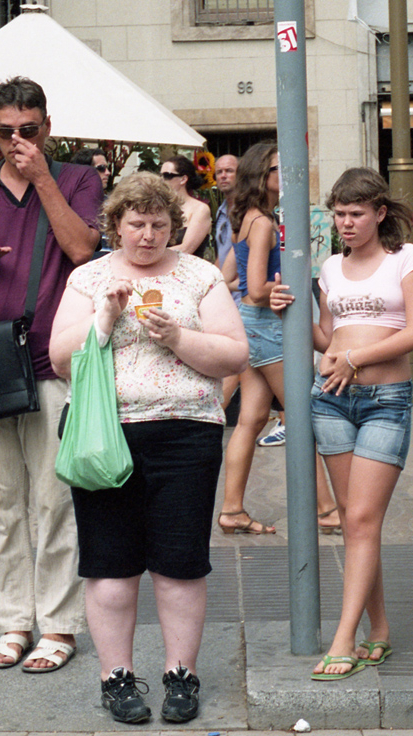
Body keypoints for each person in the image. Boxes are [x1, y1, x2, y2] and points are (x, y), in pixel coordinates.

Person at [49, 173, 248, 724]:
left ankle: (179, 674)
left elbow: (235, 355)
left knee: (180, 563)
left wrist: (177, 338)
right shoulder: (88, 278)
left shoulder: (200, 275)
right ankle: (117, 678)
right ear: (115, 225)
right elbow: (60, 359)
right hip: (103, 435)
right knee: (109, 563)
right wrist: (104, 320)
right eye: (136, 224)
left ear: (173, 227)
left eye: (159, 225)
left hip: (187, 433)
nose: (147, 235)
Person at [0, 76, 102, 672]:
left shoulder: (78, 179)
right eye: (4, 132)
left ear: (47, 128)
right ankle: (12, 621)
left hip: (52, 362)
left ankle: (58, 625)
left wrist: (41, 179)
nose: (15, 141)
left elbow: (83, 249)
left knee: (57, 500)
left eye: (27, 131)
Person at [273, 167, 413, 679]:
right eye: (339, 214)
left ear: (380, 213)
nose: (345, 223)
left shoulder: (405, 259)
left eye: (355, 214)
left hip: (385, 398)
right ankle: (378, 630)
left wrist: (357, 359)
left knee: (361, 520)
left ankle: (344, 638)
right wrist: (286, 312)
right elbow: (326, 336)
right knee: (355, 519)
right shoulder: (330, 268)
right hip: (332, 398)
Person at [220, 144, 339, 536]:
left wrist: (254, 292)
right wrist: (267, 292)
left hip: (251, 327)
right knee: (302, 418)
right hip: (269, 328)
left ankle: (233, 510)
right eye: (279, 168)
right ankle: (325, 509)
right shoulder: (264, 223)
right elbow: (253, 287)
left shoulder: (247, 218)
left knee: (251, 419)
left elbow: (227, 274)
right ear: (262, 174)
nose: (286, 175)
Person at [213, 154, 242, 413]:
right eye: (219, 171)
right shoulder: (221, 211)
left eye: (229, 171)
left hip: (246, 297)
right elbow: (220, 254)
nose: (223, 176)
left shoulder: (246, 211)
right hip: (226, 295)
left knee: (236, 362)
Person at [161, 155, 212, 258]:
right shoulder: (162, 208)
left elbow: (187, 248)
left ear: (183, 179)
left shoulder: (200, 209)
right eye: (160, 175)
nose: (161, 180)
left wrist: (151, 254)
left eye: (167, 175)